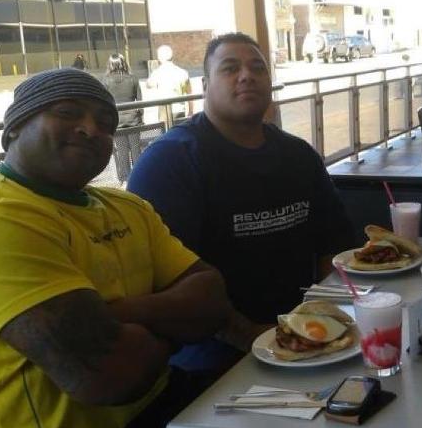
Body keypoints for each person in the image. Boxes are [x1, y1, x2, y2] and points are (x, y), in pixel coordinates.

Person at [0, 68, 262, 428]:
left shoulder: (127, 206)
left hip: (164, 403)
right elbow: (107, 377)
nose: (90, 129)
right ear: (14, 129)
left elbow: (212, 301)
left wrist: (120, 314)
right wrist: (179, 327)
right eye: (68, 112)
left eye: (105, 123)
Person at [127, 32, 355, 375]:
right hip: (211, 358)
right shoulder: (170, 161)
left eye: (258, 68)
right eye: (230, 68)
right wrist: (253, 337)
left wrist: (323, 322)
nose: (247, 75)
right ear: (205, 85)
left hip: (308, 341)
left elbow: (333, 245)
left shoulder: (298, 155)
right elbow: (169, 282)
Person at [100, 53, 143, 182]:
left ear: (110, 64)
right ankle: (139, 175)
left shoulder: (105, 80)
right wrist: (140, 116)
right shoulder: (133, 78)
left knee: (121, 150)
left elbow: (104, 102)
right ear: (124, 63)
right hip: (133, 119)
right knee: (136, 148)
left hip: (116, 120)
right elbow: (140, 100)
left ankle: (125, 178)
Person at [148, 44, 191, 120]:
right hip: (180, 110)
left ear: (160, 58)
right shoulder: (183, 72)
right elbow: (189, 93)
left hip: (164, 111)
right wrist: (191, 110)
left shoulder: (157, 73)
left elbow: (149, 84)